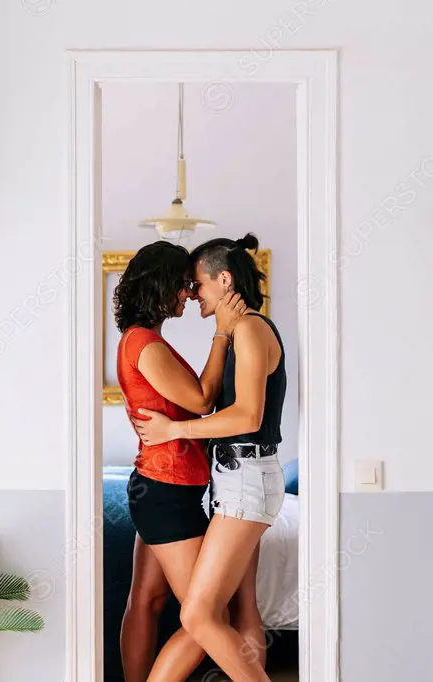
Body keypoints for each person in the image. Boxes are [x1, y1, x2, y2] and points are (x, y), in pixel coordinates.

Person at [134, 233, 286, 682]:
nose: (193, 293)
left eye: (197, 284)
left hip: (248, 478)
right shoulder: (238, 331)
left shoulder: (253, 329)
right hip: (235, 480)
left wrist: (174, 430)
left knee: (198, 615)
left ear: (224, 279)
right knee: (224, 610)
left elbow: (246, 414)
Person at [113, 240, 248, 682]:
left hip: (160, 485)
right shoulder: (145, 344)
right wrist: (223, 332)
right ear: (162, 285)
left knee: (147, 601)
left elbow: (183, 410)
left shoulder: (142, 340)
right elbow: (203, 399)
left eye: (194, 286)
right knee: (204, 616)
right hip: (166, 492)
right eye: (183, 285)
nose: (189, 295)